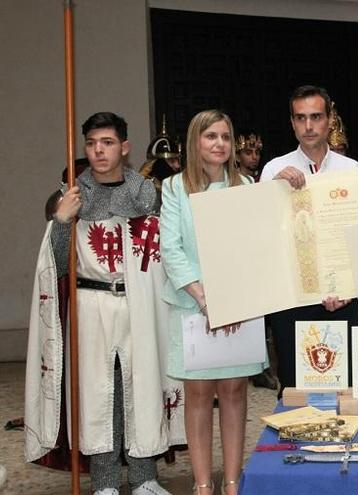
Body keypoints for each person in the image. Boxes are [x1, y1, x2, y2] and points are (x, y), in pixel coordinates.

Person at [24, 112, 177, 495]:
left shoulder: (145, 194)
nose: (98, 150)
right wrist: (61, 220)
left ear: (124, 148)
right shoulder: (73, 197)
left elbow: (162, 255)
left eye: (107, 143)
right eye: (92, 143)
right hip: (91, 302)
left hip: (138, 301)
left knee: (140, 386)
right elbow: (58, 265)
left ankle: (144, 477)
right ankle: (105, 481)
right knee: (97, 392)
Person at [161, 109, 259, 495]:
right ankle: (203, 484)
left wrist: (231, 301)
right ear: (195, 142)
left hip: (239, 305)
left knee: (235, 391)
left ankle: (232, 481)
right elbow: (171, 249)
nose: (220, 144)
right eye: (211, 136)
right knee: (199, 394)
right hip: (192, 305)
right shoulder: (173, 188)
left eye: (225, 137)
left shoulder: (246, 184)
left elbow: (252, 248)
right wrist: (206, 301)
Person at [260, 85, 358, 396]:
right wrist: (273, 193)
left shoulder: (353, 171)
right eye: (301, 118)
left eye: (316, 117)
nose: (308, 126)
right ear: (292, 122)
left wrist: (349, 287)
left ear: (329, 119)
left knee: (344, 388)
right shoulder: (274, 170)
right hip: (291, 298)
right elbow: (264, 238)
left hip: (342, 297)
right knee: (296, 389)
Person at [139, 115, 182, 193]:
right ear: (158, 164)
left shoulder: (179, 186)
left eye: (177, 160)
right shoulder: (145, 191)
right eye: (172, 161)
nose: (177, 166)